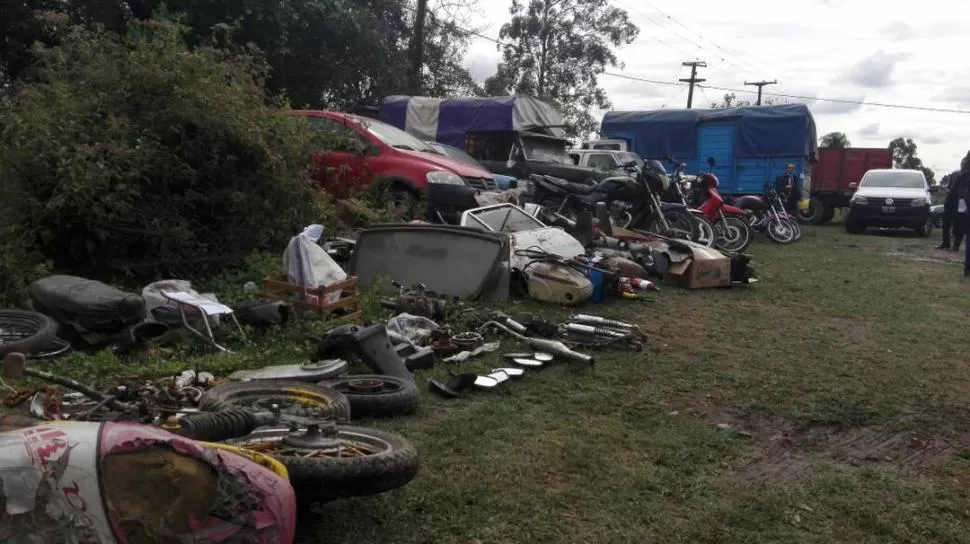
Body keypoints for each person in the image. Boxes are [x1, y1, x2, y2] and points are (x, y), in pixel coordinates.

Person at [939, 167, 967, 250]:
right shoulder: (954, 174)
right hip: (950, 200)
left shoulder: (966, 175)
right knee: (946, 223)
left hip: (961, 201)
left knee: (958, 223)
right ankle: (945, 243)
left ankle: (956, 245)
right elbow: (948, 186)